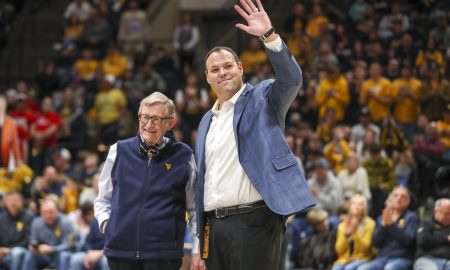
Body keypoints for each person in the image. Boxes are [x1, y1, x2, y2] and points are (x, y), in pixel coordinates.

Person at [193, 1, 315, 269]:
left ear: (240, 67)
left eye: (227, 66)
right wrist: (198, 236)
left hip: (255, 221)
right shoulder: (205, 121)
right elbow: (203, 180)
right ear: (207, 78)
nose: (222, 73)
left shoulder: (263, 96)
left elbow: (292, 79)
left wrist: (269, 36)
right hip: (213, 227)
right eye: (215, 70)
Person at [94, 92, 197, 270]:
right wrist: (108, 226)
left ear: (170, 123)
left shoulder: (184, 155)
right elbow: (102, 200)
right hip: (119, 253)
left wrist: (197, 249)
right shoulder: (118, 150)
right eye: (144, 117)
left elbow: (194, 209)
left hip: (164, 255)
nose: (148, 125)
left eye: (156, 119)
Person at [358, 186, 419, 270]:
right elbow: (375, 243)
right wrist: (383, 226)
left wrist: (391, 225)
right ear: (391, 198)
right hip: (382, 258)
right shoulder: (382, 217)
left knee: (390, 268)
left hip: (402, 258)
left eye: (403, 196)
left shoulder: (412, 217)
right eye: (396, 196)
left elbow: (408, 242)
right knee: (363, 268)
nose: (399, 199)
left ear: (408, 201)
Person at [22, 197, 74, 270]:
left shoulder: (66, 222)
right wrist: (34, 248)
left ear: (57, 211)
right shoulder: (36, 223)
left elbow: (69, 244)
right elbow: (33, 240)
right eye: (44, 213)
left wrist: (52, 249)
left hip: (59, 255)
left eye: (51, 212)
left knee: (64, 256)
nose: (48, 215)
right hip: (43, 256)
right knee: (29, 255)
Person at [332, 194, 375, 270]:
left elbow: (365, 249)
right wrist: (346, 235)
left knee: (349, 268)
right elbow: (339, 250)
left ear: (364, 208)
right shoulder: (342, 225)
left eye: (360, 204)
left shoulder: (370, 224)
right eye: (354, 203)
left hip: (363, 258)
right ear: (350, 207)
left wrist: (355, 232)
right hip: (345, 259)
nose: (356, 206)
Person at [0, 190, 34, 270]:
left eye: (15, 200)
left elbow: (28, 240)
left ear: (21, 201)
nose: (13, 203)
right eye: (10, 200)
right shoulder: (1, 219)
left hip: (21, 251)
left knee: (16, 252)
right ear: (5, 203)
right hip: (3, 251)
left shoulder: (29, 217)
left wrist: (10, 250)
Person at [414, 198, 450, 270]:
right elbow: (423, 240)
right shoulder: (427, 222)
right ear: (436, 211)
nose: (449, 217)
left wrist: (434, 237)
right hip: (427, 259)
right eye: (446, 213)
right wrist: (446, 238)